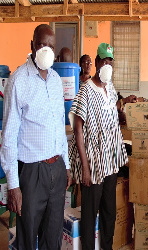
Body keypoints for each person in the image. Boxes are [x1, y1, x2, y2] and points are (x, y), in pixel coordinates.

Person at [0, 24, 71, 249]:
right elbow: (8, 135)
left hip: (56, 168)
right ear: (32, 45)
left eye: (51, 46)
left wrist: (66, 165)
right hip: (31, 174)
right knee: (27, 239)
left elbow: (60, 126)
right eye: (42, 45)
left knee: (53, 238)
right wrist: (13, 185)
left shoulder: (55, 80)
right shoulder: (18, 81)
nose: (46, 50)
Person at [68, 42, 137, 250]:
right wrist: (86, 168)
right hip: (93, 165)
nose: (107, 64)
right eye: (104, 60)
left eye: (110, 61)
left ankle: (107, 247)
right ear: (97, 62)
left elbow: (114, 115)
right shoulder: (85, 91)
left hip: (110, 163)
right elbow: (77, 130)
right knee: (90, 214)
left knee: (109, 212)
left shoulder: (111, 88)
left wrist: (126, 110)